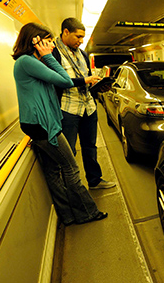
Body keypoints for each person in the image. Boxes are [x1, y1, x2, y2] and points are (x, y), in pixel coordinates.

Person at [12, 22, 108, 225]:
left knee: (53, 170)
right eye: (47, 42)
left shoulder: (31, 62)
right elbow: (65, 80)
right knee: (71, 167)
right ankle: (86, 213)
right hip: (43, 125)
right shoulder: (27, 62)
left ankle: (67, 215)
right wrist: (47, 56)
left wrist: (45, 57)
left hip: (40, 123)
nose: (52, 46)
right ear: (34, 42)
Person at [52, 17, 116, 190]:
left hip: (88, 107)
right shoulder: (54, 53)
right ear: (66, 32)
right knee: (69, 151)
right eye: (78, 37)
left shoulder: (83, 54)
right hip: (68, 109)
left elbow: (87, 81)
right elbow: (57, 81)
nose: (81, 41)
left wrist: (97, 87)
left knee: (90, 147)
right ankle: (72, 188)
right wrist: (85, 80)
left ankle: (94, 180)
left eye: (82, 37)